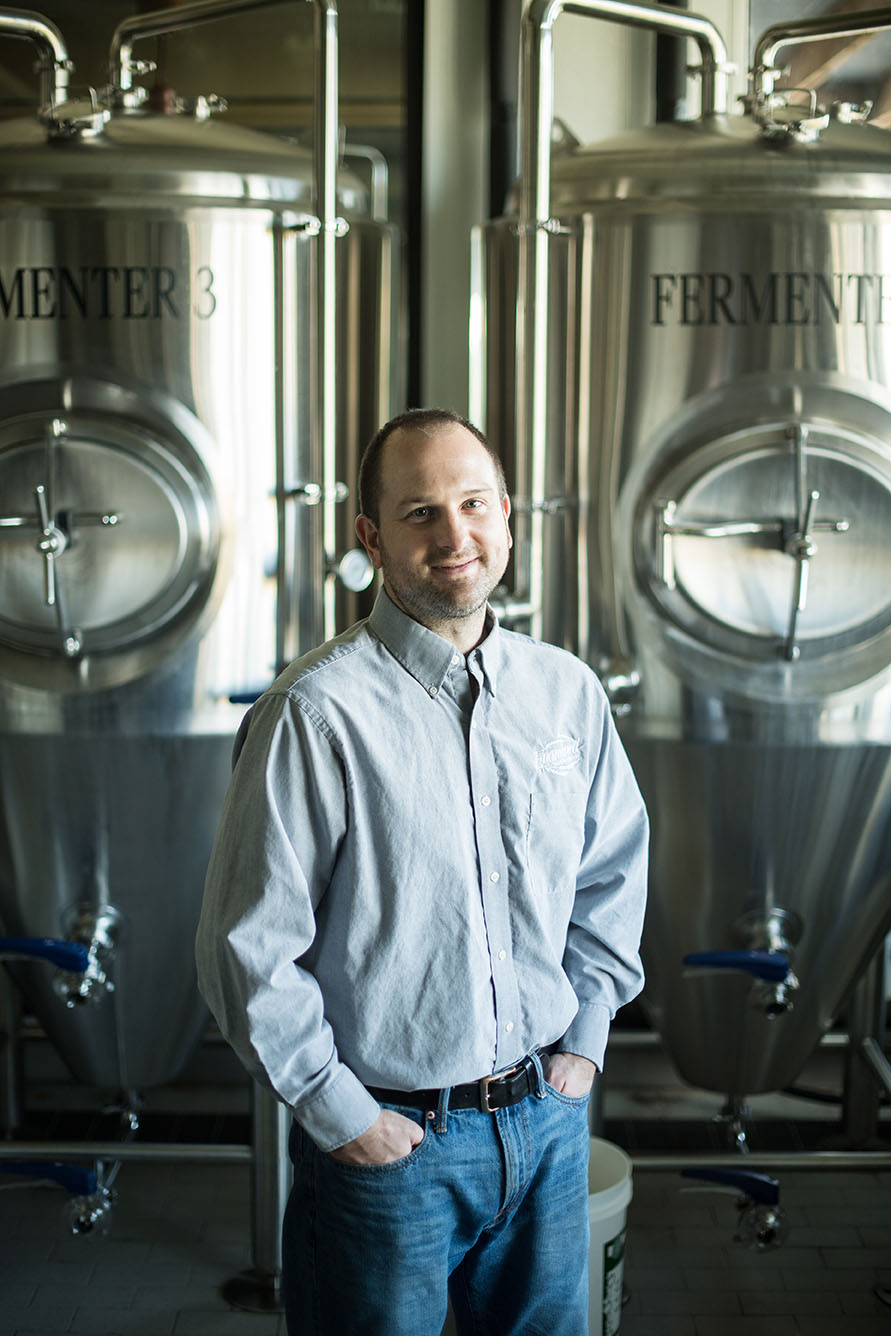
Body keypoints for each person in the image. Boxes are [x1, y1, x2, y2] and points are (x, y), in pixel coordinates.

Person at [195, 407, 648, 1336]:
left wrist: (585, 1042)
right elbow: (248, 953)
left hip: (549, 1122)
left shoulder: (565, 691)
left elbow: (610, 874)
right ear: (370, 536)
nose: (454, 535)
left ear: (508, 516)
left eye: (474, 504)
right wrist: (343, 1116)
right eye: (419, 512)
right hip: (391, 1146)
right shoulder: (313, 714)